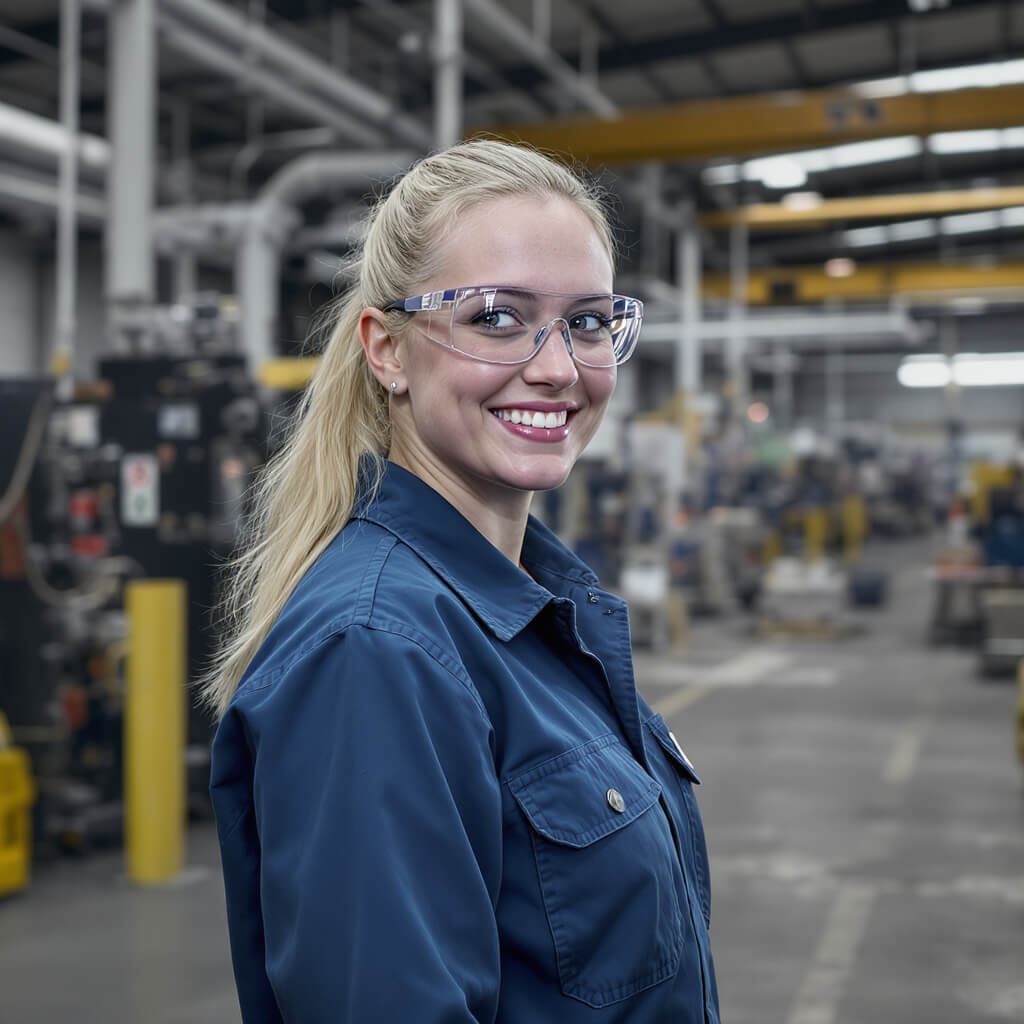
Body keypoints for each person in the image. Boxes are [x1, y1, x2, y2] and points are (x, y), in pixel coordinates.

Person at [205, 140, 720, 1023]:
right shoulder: (377, 653)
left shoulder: (535, 615)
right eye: (495, 317)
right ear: (388, 351)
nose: (558, 367)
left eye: (589, 322)